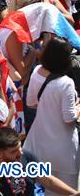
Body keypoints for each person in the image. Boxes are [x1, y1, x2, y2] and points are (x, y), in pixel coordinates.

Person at [23, 37, 80, 189]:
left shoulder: (36, 72)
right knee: (66, 191)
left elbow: (30, 103)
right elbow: (69, 118)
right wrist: (78, 107)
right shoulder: (66, 83)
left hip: (37, 145)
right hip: (63, 151)